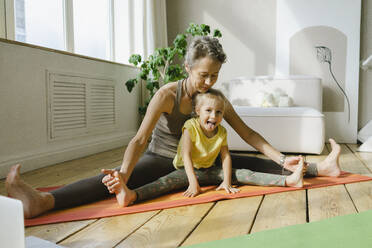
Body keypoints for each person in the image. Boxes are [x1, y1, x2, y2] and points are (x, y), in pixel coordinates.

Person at [6, 36, 341, 218]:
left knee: (246, 161)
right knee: (110, 180)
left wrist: (283, 158)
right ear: (187, 68)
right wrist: (124, 170)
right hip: (164, 159)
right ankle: (43, 203)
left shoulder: (216, 96)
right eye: (203, 75)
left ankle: (321, 167)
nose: (209, 82)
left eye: (215, 76)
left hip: (205, 162)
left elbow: (248, 133)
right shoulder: (167, 95)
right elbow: (139, 139)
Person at [109, 89, 305, 207]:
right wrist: (193, 183)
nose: (214, 116)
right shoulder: (190, 127)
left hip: (212, 170)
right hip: (188, 171)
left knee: (246, 174)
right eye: (209, 111)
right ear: (197, 112)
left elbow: (226, 158)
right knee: (166, 182)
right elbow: (185, 156)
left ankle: (289, 181)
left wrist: (227, 182)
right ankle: (132, 195)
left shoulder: (221, 132)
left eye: (218, 112)